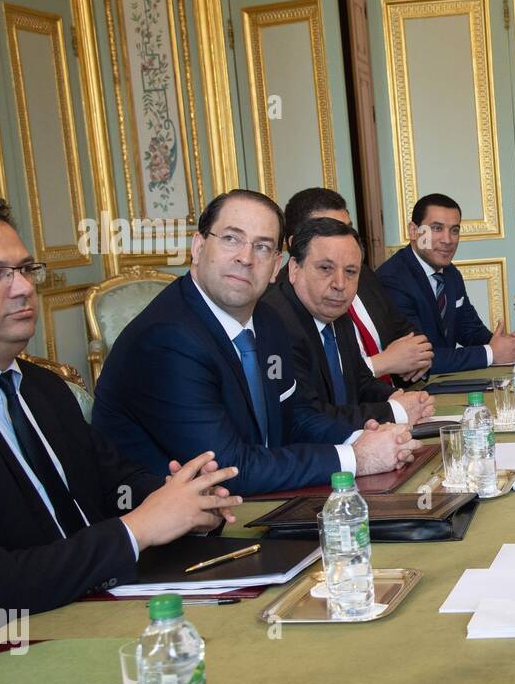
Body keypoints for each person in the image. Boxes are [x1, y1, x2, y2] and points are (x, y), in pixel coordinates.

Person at [0, 191, 241, 668]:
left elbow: (112, 481)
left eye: (25, 270)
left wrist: (186, 499)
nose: (22, 288)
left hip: (99, 609)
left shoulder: (39, 387)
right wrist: (138, 528)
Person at [93, 190, 417, 496]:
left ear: (276, 264)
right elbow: (230, 469)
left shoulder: (268, 321)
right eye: (232, 239)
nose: (246, 258)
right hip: (182, 535)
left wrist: (366, 437)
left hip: (264, 498)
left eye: (262, 247)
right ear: (197, 246)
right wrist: (354, 459)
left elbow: (297, 418)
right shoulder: (167, 339)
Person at [261, 217, 436, 427]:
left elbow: (359, 382)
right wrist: (395, 411)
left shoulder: (335, 311)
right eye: (325, 268)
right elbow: (306, 418)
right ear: (294, 269)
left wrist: (397, 397)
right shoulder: (274, 324)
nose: (340, 284)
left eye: (350, 272)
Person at [281, 188, 433, 386]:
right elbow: (313, 386)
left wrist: (418, 356)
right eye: (331, 230)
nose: (345, 240)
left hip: (397, 397)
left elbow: (405, 330)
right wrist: (382, 363)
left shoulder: (365, 275)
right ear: (295, 244)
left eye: (348, 230)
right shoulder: (282, 304)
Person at [377, 193, 515, 374]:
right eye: (437, 228)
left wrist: (504, 344)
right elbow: (420, 358)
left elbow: (469, 330)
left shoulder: (450, 273)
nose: (448, 240)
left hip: (445, 379)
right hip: (411, 390)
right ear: (414, 232)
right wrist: (491, 353)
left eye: (454, 230)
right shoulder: (393, 280)